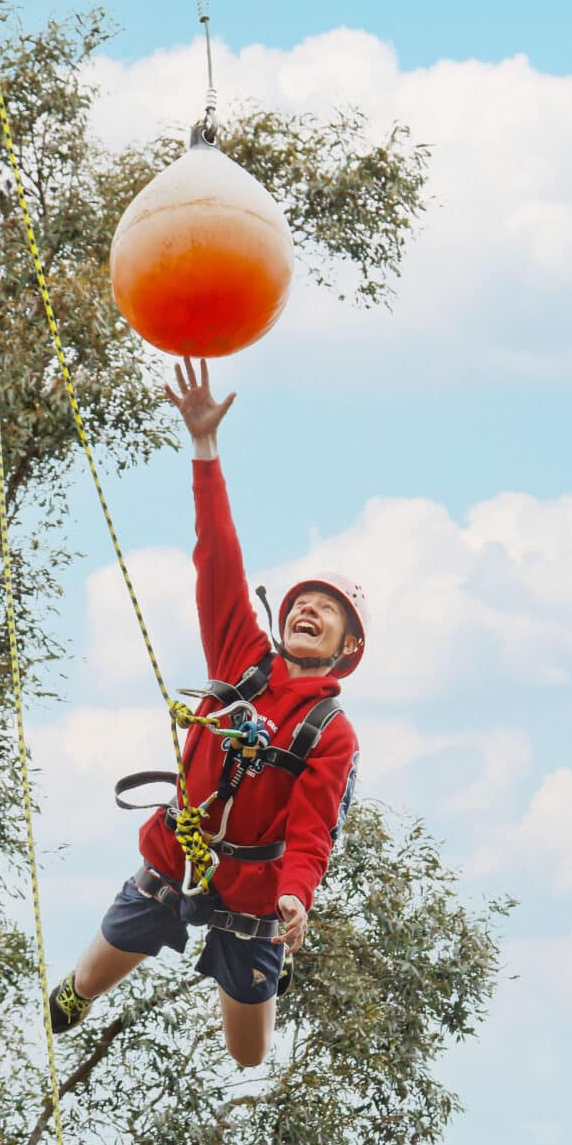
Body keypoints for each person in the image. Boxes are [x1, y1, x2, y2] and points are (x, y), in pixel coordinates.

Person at [47, 357, 365, 1068]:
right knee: (91, 979)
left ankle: (259, 967)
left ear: (347, 651)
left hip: (252, 892)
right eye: (301, 602)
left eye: (330, 611)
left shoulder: (328, 732)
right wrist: (204, 448)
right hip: (177, 858)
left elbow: (313, 831)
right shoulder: (241, 661)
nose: (309, 609)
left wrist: (295, 899)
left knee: (248, 1056)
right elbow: (217, 556)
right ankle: (76, 988)